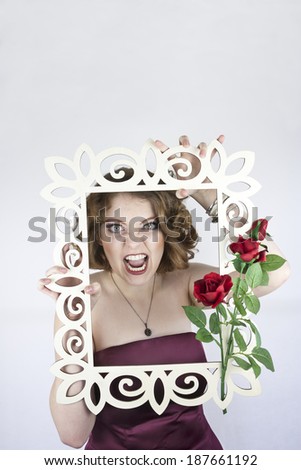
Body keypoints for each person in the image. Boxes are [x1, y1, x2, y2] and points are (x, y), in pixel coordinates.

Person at [38, 135, 290, 450]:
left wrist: (210, 194)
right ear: (97, 234)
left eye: (150, 226)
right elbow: (73, 435)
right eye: (115, 228)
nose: (133, 242)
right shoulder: (84, 297)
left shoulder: (190, 285)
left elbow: (277, 273)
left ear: (167, 232)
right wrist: (73, 315)